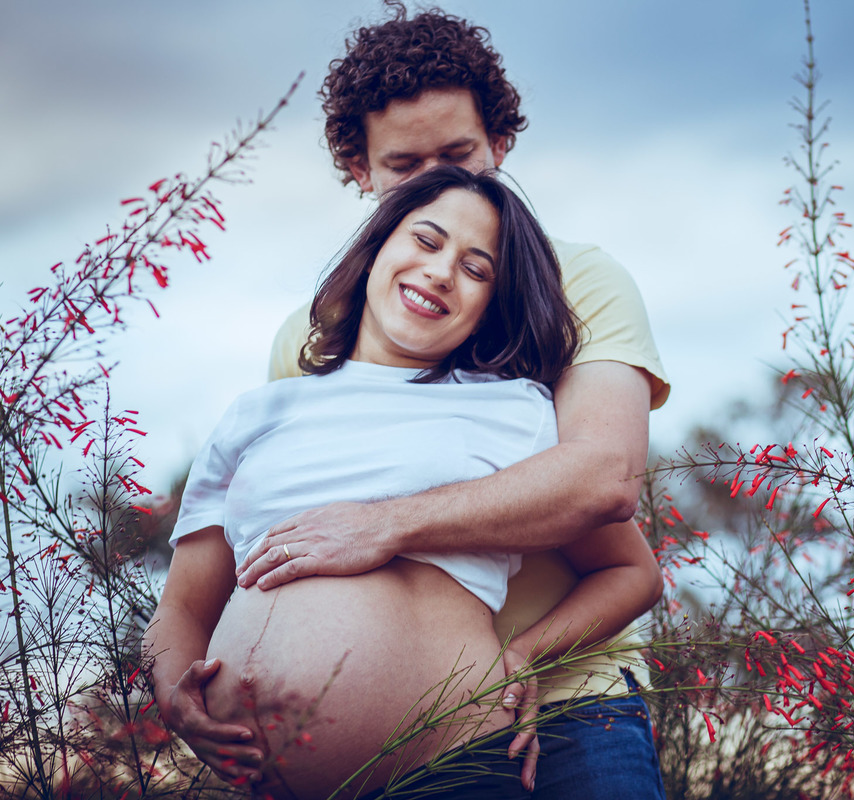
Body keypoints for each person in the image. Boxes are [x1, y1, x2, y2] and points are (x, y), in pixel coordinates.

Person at [231, 6, 670, 798]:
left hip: (570, 708)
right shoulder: (306, 335)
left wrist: (388, 524)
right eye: (404, 165)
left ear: (500, 143)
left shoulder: (582, 284)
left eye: (459, 152)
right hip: (382, 760)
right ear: (357, 168)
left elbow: (605, 478)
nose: (437, 179)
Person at [144, 167, 663, 799]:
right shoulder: (256, 413)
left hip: (449, 765)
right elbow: (181, 608)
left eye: (477, 270)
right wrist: (173, 695)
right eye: (425, 240)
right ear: (376, 249)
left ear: (487, 310)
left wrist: (527, 653)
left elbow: (632, 571)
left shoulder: (514, 411)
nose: (443, 272)